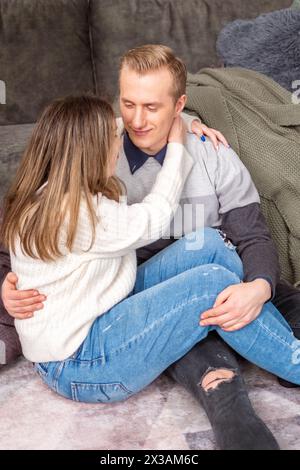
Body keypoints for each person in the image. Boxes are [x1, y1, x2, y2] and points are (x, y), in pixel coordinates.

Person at [2, 45, 300, 450]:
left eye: (152, 108)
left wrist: (257, 288)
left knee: (211, 248)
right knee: (209, 286)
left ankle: (241, 316)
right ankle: (279, 361)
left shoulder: (71, 187)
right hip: (85, 356)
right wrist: (8, 283)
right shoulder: (84, 205)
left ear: (178, 106)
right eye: (125, 107)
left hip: (111, 300)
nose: (131, 124)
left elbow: (251, 235)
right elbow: (153, 216)